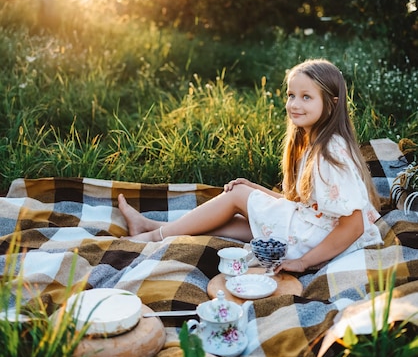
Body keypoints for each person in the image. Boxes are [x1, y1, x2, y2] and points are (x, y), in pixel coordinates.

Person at [118, 59, 382, 273]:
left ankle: (152, 237)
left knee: (236, 196)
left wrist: (304, 262)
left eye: (306, 97)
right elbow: (305, 206)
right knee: (238, 219)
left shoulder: (330, 152)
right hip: (311, 228)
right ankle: (154, 227)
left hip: (317, 243)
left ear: (332, 104)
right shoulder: (315, 141)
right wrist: (255, 188)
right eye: (291, 95)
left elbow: (354, 225)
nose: (294, 104)